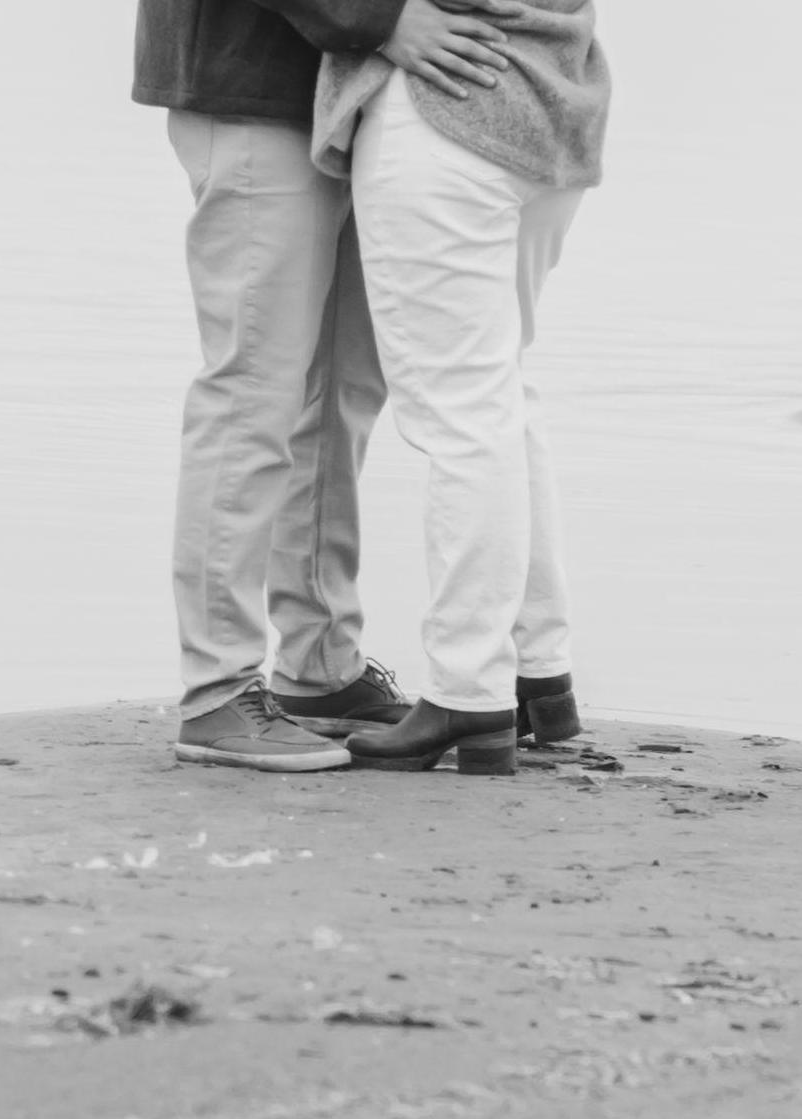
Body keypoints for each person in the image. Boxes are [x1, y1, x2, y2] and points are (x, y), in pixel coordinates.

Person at [133, 0, 526, 772]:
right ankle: (216, 689)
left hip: (359, 98)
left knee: (341, 395)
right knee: (251, 391)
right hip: (256, 84)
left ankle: (319, 667)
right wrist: (378, 18)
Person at [312, 1, 610, 774]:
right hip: (553, 94)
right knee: (500, 394)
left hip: (445, 107)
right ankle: (538, 672)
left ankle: (468, 690)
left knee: (463, 417)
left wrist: (378, 19)